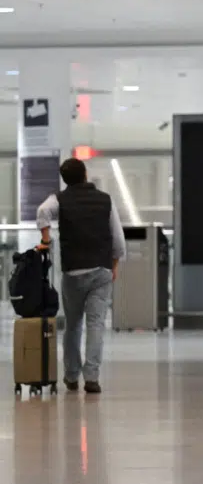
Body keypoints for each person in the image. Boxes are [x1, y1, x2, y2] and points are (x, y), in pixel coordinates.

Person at [36, 158, 125, 395]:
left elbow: (43, 211)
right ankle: (92, 378)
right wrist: (114, 264)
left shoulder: (60, 199)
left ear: (64, 179)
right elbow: (118, 238)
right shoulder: (105, 200)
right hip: (101, 270)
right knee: (96, 324)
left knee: (73, 325)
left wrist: (45, 240)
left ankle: (71, 376)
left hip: (73, 271)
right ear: (85, 174)